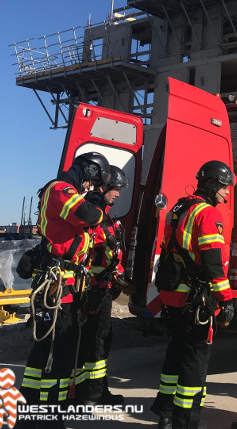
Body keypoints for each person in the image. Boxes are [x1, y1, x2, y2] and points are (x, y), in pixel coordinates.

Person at [17, 152, 109, 429]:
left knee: (46, 349)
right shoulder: (61, 189)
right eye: (91, 183)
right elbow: (90, 215)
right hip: (58, 286)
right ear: (87, 172)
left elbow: (93, 228)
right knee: (61, 353)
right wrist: (95, 208)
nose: (88, 189)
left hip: (62, 284)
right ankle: (51, 417)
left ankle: (31, 413)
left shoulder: (61, 192)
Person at [150, 161, 236, 429]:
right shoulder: (208, 214)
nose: (226, 193)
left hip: (172, 295)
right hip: (194, 301)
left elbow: (167, 248)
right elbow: (212, 263)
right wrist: (227, 299)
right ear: (212, 185)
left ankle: (165, 413)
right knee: (194, 360)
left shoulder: (179, 208)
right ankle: (185, 422)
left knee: (176, 351)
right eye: (224, 187)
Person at [75, 165, 129, 405]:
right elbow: (91, 251)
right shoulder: (94, 212)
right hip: (94, 289)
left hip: (101, 287)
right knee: (96, 340)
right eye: (115, 189)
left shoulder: (101, 212)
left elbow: (107, 253)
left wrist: (118, 276)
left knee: (96, 339)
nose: (117, 194)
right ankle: (92, 394)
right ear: (103, 186)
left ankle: (91, 390)